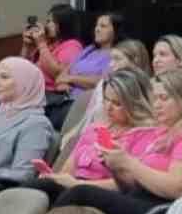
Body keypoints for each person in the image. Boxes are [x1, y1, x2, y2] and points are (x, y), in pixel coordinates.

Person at [50, 69, 182, 214]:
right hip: (135, 197)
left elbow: (178, 188)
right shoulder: (161, 132)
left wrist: (130, 163)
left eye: (164, 98)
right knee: (52, 188)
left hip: (159, 209)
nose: (157, 104)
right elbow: (128, 185)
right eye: (155, 98)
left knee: (79, 194)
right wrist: (116, 165)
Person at [36, 69, 155, 200]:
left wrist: (77, 184)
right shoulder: (94, 129)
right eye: (106, 99)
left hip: (104, 196)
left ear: (134, 103)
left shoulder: (145, 135)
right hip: (74, 188)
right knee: (38, 186)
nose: (108, 107)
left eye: (117, 103)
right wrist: (54, 178)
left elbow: (128, 184)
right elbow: (66, 172)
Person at [82, 39, 154, 136]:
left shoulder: (149, 89)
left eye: (117, 59)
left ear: (135, 61)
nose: (111, 64)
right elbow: (88, 117)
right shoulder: (104, 84)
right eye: (106, 99)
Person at [58, 12, 122, 99]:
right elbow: (65, 71)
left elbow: (104, 82)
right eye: (97, 25)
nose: (97, 29)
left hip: (89, 104)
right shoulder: (90, 49)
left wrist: (71, 79)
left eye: (103, 26)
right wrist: (63, 83)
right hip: (66, 98)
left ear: (115, 31)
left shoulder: (117, 54)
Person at [23, 4, 85, 94]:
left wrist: (41, 43)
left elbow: (58, 74)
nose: (47, 25)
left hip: (49, 94)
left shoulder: (72, 46)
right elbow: (23, 66)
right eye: (47, 21)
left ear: (64, 24)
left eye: (51, 22)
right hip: (31, 89)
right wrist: (26, 46)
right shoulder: (50, 43)